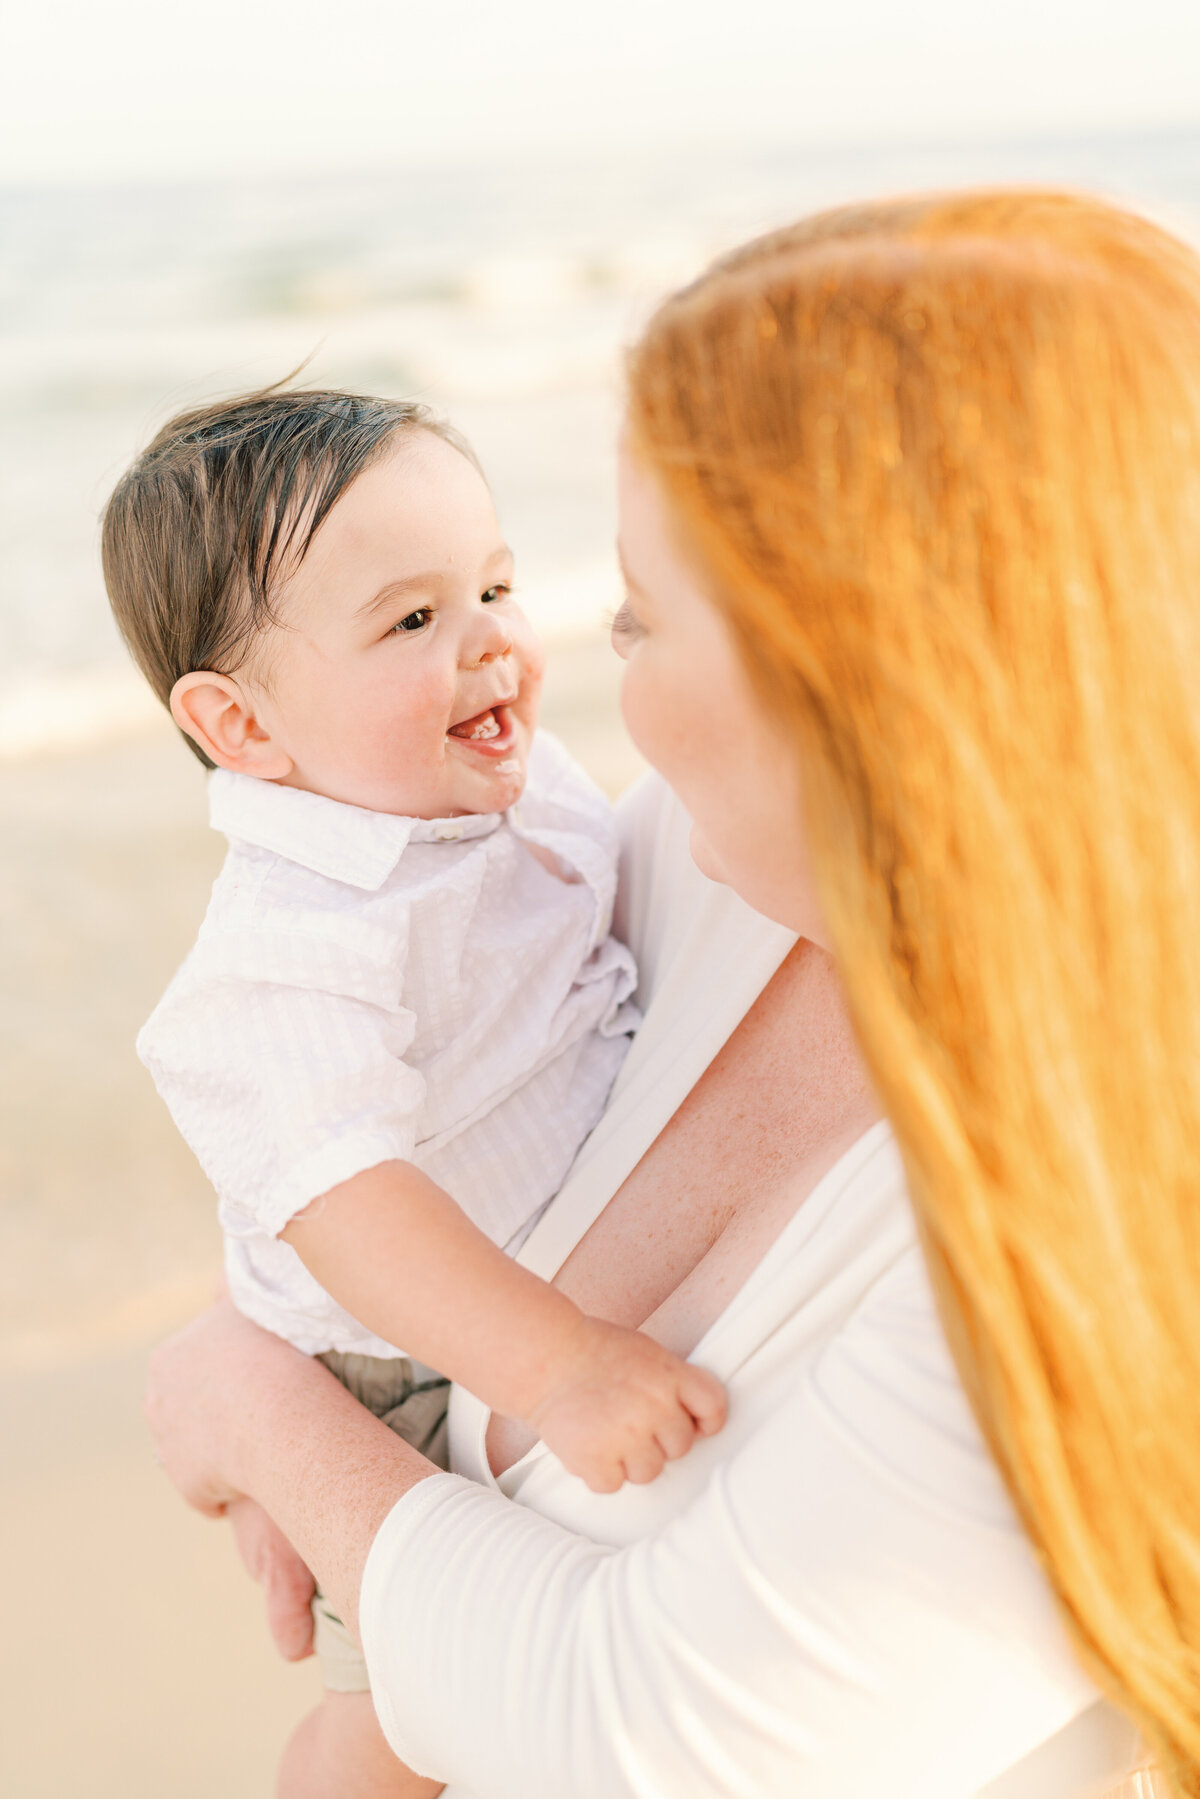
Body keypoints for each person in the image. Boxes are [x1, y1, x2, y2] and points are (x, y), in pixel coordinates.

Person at [145, 188, 1200, 1798]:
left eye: (636, 615)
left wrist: (254, 1411)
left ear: (862, 677)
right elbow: (368, 1109)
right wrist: (269, 1333)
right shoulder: (709, 876)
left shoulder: (1119, 1204)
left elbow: (649, 1735)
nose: (557, 663)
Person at [102, 390, 726, 1799]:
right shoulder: (290, 950)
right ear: (242, 724)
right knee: (407, 1729)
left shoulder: (517, 784)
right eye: (412, 623)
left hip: (534, 1271)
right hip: (384, 1361)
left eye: (494, 585)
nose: (493, 638)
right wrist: (554, 1366)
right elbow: (349, 1209)